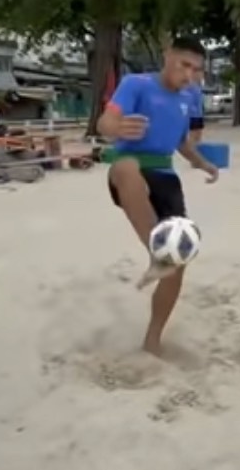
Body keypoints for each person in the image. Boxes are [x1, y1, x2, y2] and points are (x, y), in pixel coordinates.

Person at [97, 36, 219, 355]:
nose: (189, 75)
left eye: (196, 69)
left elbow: (181, 142)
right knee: (124, 167)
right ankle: (156, 253)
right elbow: (105, 123)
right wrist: (118, 127)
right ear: (167, 57)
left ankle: (153, 338)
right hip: (131, 170)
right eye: (184, 65)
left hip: (166, 176)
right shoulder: (136, 84)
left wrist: (204, 164)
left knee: (178, 266)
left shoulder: (190, 95)